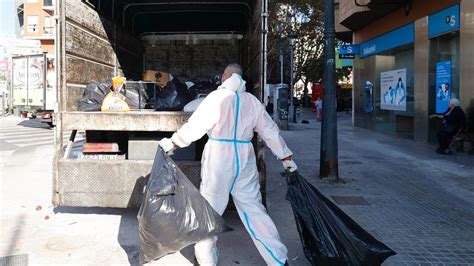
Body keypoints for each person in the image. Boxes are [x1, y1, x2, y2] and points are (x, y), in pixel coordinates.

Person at [158, 63, 297, 266]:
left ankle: (206, 260)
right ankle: (278, 259)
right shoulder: (252, 101)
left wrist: (174, 142)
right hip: (244, 156)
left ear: (225, 77)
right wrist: (285, 157)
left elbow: (196, 125)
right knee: (254, 210)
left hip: (218, 156)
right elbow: (269, 130)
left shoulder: (216, 98)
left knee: (210, 210)